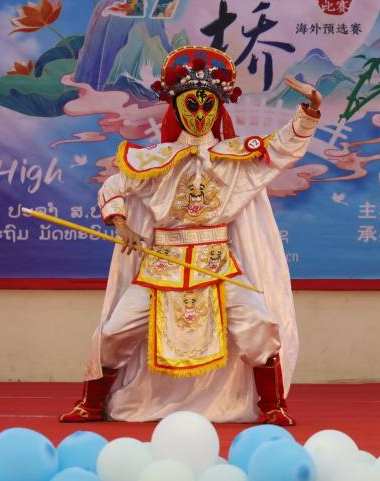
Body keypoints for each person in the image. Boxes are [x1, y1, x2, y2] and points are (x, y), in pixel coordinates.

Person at [59, 45, 321, 425]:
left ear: (218, 109)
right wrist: (121, 224)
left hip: (216, 264)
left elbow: (281, 147)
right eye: (191, 105)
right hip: (162, 266)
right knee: (115, 330)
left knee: (259, 323)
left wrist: (309, 112)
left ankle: (272, 406)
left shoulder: (235, 158)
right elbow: (114, 186)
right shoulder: (155, 160)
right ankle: (91, 403)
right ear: (177, 108)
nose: (199, 114)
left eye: (207, 106)